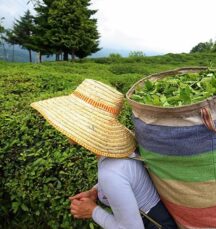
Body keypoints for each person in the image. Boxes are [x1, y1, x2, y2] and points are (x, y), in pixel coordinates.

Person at [31, 79, 177, 229]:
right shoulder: (116, 157)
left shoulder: (110, 173)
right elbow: (127, 179)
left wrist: (92, 211)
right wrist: (96, 191)